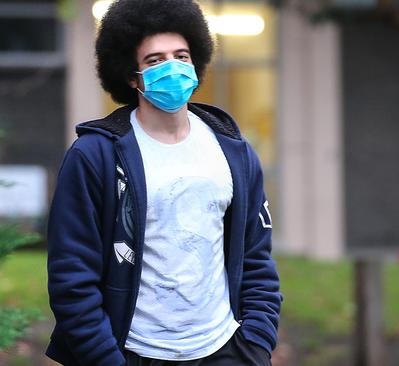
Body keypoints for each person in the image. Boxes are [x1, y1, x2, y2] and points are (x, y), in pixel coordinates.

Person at [46, 1, 282, 365]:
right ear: (131, 76)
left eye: (181, 56)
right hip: (136, 352)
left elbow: (257, 258)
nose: (172, 67)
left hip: (226, 349)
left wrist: (256, 343)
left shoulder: (232, 150)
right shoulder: (95, 156)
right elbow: (72, 278)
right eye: (155, 60)